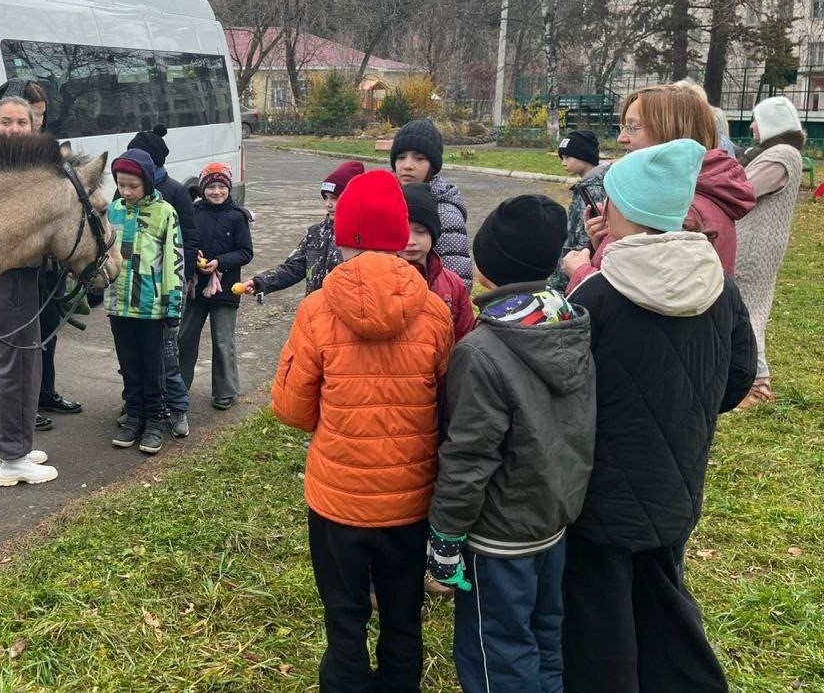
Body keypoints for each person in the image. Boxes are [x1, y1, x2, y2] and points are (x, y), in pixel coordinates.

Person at [561, 139, 755, 693]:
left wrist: (579, 269)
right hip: (677, 480)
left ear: (622, 209)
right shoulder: (720, 284)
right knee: (664, 597)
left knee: (600, 618)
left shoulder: (597, 291)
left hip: (600, 492)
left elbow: (566, 384)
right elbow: (737, 374)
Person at [272, 169, 455, 693]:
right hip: (410, 501)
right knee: (403, 616)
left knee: (345, 616)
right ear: (401, 235)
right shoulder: (435, 311)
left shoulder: (317, 310)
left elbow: (291, 408)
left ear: (343, 234)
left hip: (339, 503)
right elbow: (445, 403)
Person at [426, 194, 595, 693]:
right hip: (553, 519)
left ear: (485, 265)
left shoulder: (482, 350)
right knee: (545, 636)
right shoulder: (569, 319)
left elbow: (469, 456)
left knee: (496, 651)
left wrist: (444, 541)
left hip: (498, 538)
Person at [567, 81, 755, 289]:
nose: (621, 138)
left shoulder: (683, 210)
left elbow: (647, 298)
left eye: (633, 127)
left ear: (673, 134)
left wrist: (581, 273)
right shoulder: (689, 193)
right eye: (623, 127)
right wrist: (603, 241)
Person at [0, 94, 56, 486]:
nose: (13, 129)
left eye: (21, 123)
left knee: (5, 359)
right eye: (6, 122)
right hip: (7, 275)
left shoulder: (20, 163)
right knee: (20, 364)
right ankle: (14, 459)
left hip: (16, 275)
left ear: (33, 126)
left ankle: (2, 442)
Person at [105, 148, 184, 454]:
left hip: (151, 308)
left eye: (133, 186)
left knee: (153, 368)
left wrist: (173, 307)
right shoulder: (113, 212)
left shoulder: (165, 213)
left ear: (148, 183)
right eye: (121, 185)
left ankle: (154, 420)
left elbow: (174, 263)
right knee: (129, 366)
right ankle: (133, 416)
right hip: (119, 305)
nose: (126, 191)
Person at [127, 124, 200, 438]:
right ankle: (138, 407)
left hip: (165, 290)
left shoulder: (173, 193)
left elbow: (189, 237)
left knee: (167, 356)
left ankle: (178, 407)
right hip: (133, 293)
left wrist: (187, 278)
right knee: (136, 358)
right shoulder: (125, 193)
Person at [734, 95, 806, 409]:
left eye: (757, 120)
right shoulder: (775, 153)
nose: (751, 126)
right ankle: (748, 380)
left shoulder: (781, 155)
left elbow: (741, 190)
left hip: (755, 245)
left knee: (749, 308)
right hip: (757, 240)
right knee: (748, 306)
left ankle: (757, 384)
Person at [179, 162, 253, 411]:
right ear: (202, 189)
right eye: (211, 186)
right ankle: (178, 386)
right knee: (186, 337)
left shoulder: (238, 216)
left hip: (226, 288)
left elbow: (245, 252)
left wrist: (220, 262)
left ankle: (224, 390)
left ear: (229, 188)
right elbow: (185, 241)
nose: (217, 191)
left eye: (222, 186)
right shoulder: (193, 211)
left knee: (223, 340)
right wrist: (195, 257)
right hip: (195, 288)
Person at [245, 160, 365, 299]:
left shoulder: (364, 236)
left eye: (335, 198)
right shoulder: (316, 233)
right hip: (315, 313)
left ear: (353, 198)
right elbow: (294, 267)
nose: (328, 204)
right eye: (325, 198)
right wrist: (261, 282)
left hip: (348, 314)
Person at [389, 118, 472, 288]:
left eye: (419, 159)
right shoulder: (385, 200)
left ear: (432, 165)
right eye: (401, 157)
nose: (407, 166)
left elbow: (457, 284)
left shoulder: (445, 213)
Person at [397, 182, 475, 341]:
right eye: (402, 231)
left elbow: (465, 337)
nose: (411, 241)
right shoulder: (380, 280)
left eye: (420, 232)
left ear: (434, 235)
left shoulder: (454, 285)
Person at [552, 130, 608, 288]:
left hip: (577, 266)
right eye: (562, 158)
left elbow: (584, 236)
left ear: (585, 156)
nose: (563, 162)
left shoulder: (592, 190)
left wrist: (565, 277)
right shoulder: (586, 186)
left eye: (568, 157)